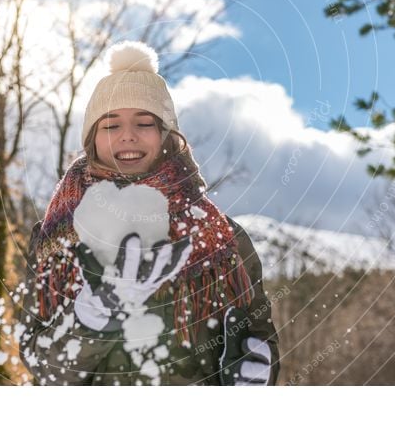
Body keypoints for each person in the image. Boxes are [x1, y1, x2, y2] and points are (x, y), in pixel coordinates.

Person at [18, 41, 279, 385]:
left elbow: (257, 333)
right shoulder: (57, 237)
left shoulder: (221, 238)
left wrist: (256, 371)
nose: (128, 136)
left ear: (166, 134)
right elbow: (41, 363)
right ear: (92, 139)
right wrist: (91, 319)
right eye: (110, 126)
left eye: (144, 123)